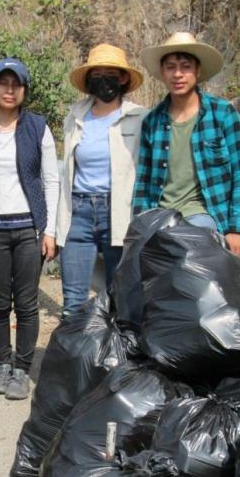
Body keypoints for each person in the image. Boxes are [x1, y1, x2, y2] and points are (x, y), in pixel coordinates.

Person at [0, 58, 59, 400]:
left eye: (15, 84)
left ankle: (22, 368)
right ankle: (2, 363)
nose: (9, 90)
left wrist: (50, 229)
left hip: (28, 228)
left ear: (24, 90)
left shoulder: (37, 127)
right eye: (2, 83)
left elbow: (51, 179)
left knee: (28, 304)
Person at [135, 32, 240, 259]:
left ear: (197, 71)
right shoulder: (153, 122)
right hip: (161, 219)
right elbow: (144, 182)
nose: (178, 74)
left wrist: (236, 229)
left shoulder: (222, 114)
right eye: (170, 67)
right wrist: (139, 229)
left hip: (203, 216)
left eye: (185, 67)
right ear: (162, 73)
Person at [56, 44, 149, 318]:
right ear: (88, 80)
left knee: (119, 296)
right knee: (73, 301)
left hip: (118, 211)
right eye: (98, 73)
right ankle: (72, 359)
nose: (104, 79)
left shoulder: (140, 118)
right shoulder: (75, 117)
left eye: (111, 73)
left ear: (123, 79)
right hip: (78, 211)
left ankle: (115, 358)